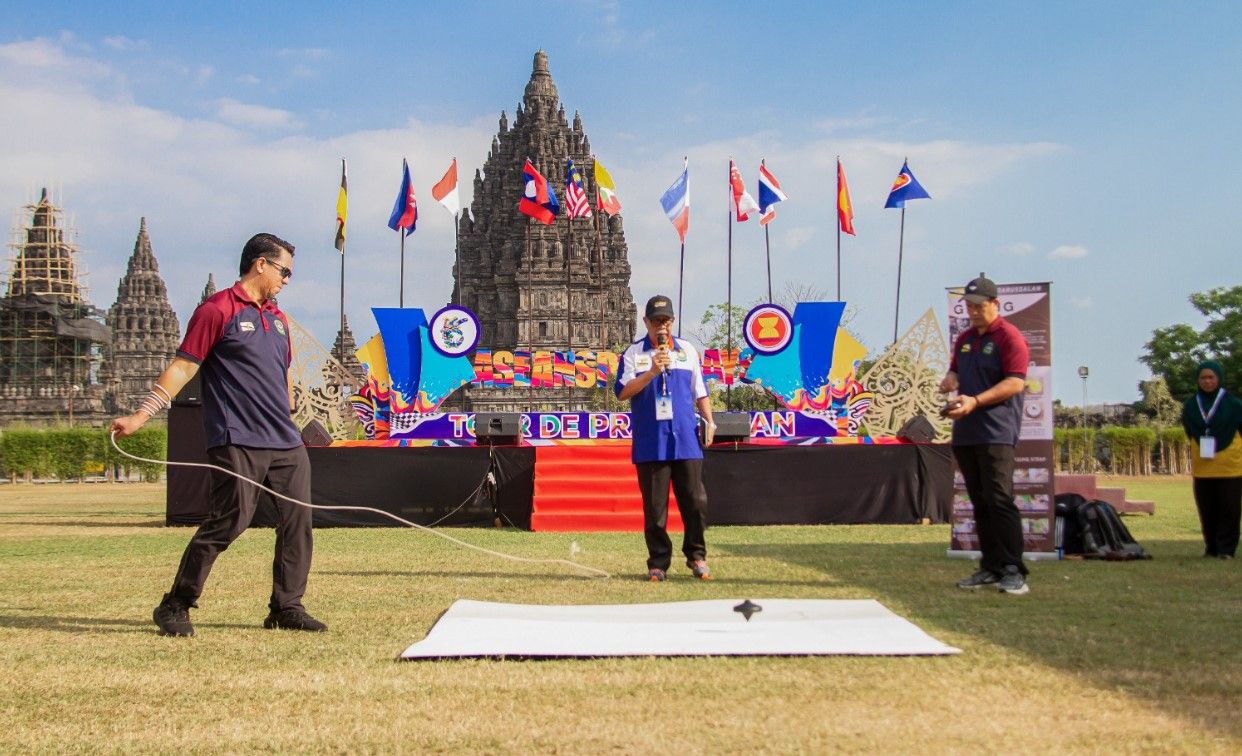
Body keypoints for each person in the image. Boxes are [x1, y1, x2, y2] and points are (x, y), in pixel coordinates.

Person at [111, 233, 326, 636]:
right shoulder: (218, 310)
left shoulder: (278, 320)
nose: (286, 279)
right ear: (260, 264)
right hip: (238, 437)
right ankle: (176, 603)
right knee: (230, 521)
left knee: (298, 521)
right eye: (284, 271)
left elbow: (282, 372)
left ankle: (286, 606)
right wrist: (142, 415)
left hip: (285, 440)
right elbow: (183, 367)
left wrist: (289, 400)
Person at [939, 273, 1031, 594]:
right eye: (969, 305)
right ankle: (989, 566)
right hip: (966, 431)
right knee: (979, 501)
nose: (973, 311)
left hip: (996, 431)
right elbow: (955, 370)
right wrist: (949, 380)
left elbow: (1016, 382)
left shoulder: (1009, 337)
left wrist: (976, 400)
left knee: (999, 499)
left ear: (995, 304)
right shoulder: (964, 339)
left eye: (979, 305)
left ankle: (1012, 568)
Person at [616, 295, 716, 582]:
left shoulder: (687, 350)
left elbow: (700, 391)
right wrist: (651, 372)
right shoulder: (634, 354)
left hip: (685, 437)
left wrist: (710, 420)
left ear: (672, 322)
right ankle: (658, 562)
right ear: (646, 322)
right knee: (655, 508)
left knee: (695, 501)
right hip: (652, 440)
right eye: (656, 320)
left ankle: (697, 556)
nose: (662, 326)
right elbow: (623, 392)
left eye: (666, 320)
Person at [1181, 359, 1242, 559]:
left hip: (1230, 466)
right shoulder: (1190, 406)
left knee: (1229, 508)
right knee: (1207, 509)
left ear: (1219, 378)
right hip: (1203, 467)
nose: (1207, 382)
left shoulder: (1234, 405)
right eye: (1203, 378)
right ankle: (1211, 547)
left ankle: (1226, 549)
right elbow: (1189, 431)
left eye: (1211, 377)